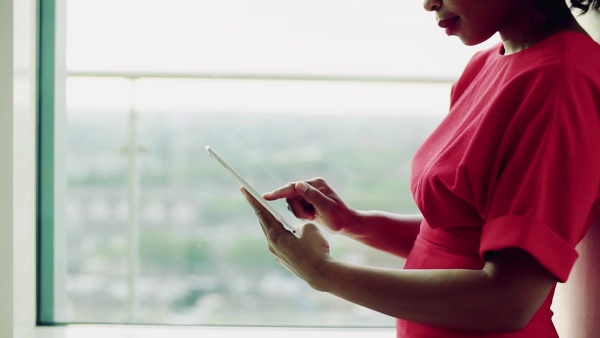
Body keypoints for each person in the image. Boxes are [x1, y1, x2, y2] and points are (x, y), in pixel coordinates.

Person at [241, 0, 600, 336]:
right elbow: (456, 241)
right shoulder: (489, 63)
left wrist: (323, 273)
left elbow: (509, 301)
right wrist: (352, 223)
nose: (428, 2)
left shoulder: (561, 84)